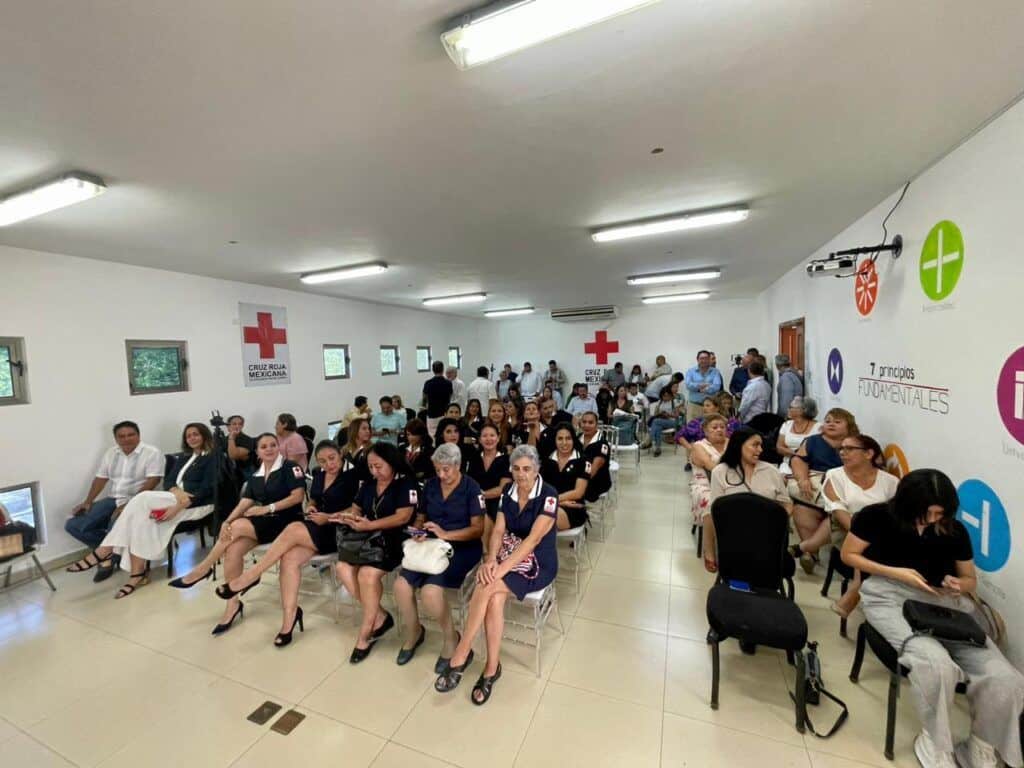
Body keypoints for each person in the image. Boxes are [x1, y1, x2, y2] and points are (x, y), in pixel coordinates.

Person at [842, 470, 1024, 768]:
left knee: (1006, 678)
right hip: (888, 594)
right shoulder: (875, 517)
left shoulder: (954, 530)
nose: (934, 518)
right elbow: (850, 555)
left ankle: (981, 745)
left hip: (943, 602)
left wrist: (959, 586)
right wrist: (894, 572)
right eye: (928, 512)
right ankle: (936, 741)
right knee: (934, 663)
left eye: (941, 512)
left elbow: (969, 580)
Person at [434, 445, 558, 705]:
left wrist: (498, 570)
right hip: (507, 554)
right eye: (516, 468)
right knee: (494, 598)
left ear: (536, 470)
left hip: (537, 563)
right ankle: (491, 667)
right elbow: (499, 531)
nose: (521, 474)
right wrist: (491, 560)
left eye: (527, 469)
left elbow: (533, 541)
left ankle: (461, 652)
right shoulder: (507, 492)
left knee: (487, 586)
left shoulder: (548, 495)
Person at [211, 440, 358, 646]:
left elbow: (357, 510)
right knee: (289, 558)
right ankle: (290, 617)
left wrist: (330, 516)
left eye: (332, 459)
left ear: (340, 455)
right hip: (317, 526)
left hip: (340, 529)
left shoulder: (353, 475)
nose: (328, 465)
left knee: (294, 528)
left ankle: (249, 577)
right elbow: (314, 499)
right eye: (323, 461)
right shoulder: (319, 474)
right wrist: (313, 507)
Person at [68, 423, 218, 597]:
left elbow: (209, 489)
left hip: (196, 503)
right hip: (174, 496)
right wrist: (176, 491)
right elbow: (169, 481)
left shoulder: (213, 458)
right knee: (139, 520)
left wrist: (178, 506)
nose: (192, 438)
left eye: (196, 434)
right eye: (188, 436)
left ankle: (105, 550)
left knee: (142, 498)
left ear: (205, 436)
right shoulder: (186, 457)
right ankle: (136, 575)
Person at [175, 433, 306, 633]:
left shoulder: (289, 467)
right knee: (233, 548)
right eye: (264, 446)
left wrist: (266, 508)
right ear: (257, 451)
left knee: (237, 526)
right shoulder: (257, 473)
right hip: (265, 523)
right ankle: (232, 604)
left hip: (287, 522)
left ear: (278, 447)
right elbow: (246, 501)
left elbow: (297, 497)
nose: (269, 449)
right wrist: (227, 520)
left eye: (273, 445)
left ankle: (202, 570)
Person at [394, 443, 485, 668]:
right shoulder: (432, 486)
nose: (441, 475)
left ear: (458, 465)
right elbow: (421, 516)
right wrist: (417, 531)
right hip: (431, 546)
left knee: (430, 592)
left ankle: (450, 637)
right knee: (401, 586)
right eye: (437, 470)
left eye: (446, 470)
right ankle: (414, 631)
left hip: (462, 548)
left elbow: (478, 529)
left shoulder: (471, 488)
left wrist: (447, 534)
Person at [332, 443, 418, 663]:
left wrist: (369, 525)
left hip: (393, 541)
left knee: (366, 576)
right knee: (342, 568)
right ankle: (380, 616)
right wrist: (349, 517)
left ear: (392, 463)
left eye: (379, 466)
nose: (374, 471)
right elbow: (356, 508)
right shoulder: (369, 484)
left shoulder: (405, 483)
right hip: (366, 540)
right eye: (371, 466)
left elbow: (403, 517)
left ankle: (365, 631)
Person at [823, 434, 898, 618]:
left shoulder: (890, 482)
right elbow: (838, 510)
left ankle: (858, 591)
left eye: (849, 449)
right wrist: (863, 534)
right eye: (841, 449)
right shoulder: (834, 475)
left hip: (882, 536)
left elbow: (896, 515)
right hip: (847, 531)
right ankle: (857, 590)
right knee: (863, 547)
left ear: (869, 453)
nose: (843, 453)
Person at [65, 421, 163, 556]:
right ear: (116, 439)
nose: (126, 439)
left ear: (138, 435)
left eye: (131, 435)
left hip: (139, 500)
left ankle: (109, 559)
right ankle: (109, 554)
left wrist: (130, 504)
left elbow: (154, 480)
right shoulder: (111, 453)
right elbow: (101, 478)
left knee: (115, 527)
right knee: (73, 525)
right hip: (114, 499)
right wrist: (87, 502)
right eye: (121, 436)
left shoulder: (152, 453)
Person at [705, 427, 791, 573]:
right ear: (739, 445)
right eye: (755, 445)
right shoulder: (721, 471)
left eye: (761, 445)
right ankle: (711, 553)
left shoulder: (771, 471)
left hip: (765, 528)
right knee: (708, 513)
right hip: (734, 529)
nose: (760, 450)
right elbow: (717, 506)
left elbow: (786, 502)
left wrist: (781, 518)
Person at [789, 407, 859, 573]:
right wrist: (803, 479)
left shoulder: (858, 444)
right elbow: (798, 460)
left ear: (849, 425)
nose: (831, 424)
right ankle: (811, 554)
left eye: (837, 421)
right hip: (816, 490)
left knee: (837, 514)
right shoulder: (813, 441)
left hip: (843, 493)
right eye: (827, 421)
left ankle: (806, 547)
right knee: (802, 510)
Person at [469, 423, 511, 551]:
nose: (488, 439)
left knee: (487, 517)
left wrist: (481, 494)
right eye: (485, 436)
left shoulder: (506, 459)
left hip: (498, 501)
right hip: (476, 501)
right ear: (480, 439)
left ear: (498, 438)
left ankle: (489, 555)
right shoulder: (474, 458)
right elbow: (470, 483)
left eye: (492, 435)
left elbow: (503, 488)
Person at [540, 424, 590, 530]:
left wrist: (555, 500)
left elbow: (578, 493)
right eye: (560, 439)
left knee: (547, 516)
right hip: (549, 503)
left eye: (568, 438)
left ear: (573, 439)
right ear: (554, 440)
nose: (564, 443)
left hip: (572, 507)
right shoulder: (547, 460)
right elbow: (540, 488)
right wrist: (559, 502)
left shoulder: (583, 461)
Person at [689, 414, 728, 524]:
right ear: (706, 431)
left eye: (722, 427)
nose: (719, 429)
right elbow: (711, 466)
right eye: (715, 427)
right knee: (712, 502)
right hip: (706, 484)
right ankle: (711, 536)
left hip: (731, 482)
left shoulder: (731, 443)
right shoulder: (699, 446)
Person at [776, 396, 820, 477]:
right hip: (787, 463)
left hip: (810, 464)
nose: (788, 409)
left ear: (802, 410)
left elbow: (817, 450)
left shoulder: (818, 427)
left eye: (790, 407)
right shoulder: (786, 425)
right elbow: (779, 447)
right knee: (782, 478)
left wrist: (801, 458)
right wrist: (797, 454)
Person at [578, 412, 611, 502]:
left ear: (597, 425)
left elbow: (593, 471)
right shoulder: (578, 438)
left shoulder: (602, 444)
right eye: (584, 422)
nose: (586, 425)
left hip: (596, 481)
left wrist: (576, 484)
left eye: (590, 422)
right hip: (580, 476)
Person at [684, 350, 724, 422]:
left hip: (710, 407)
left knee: (709, 429)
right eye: (701, 358)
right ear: (697, 359)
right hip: (694, 405)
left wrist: (703, 389)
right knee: (692, 429)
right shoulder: (690, 371)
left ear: (709, 359)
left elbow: (717, 386)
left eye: (706, 358)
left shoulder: (715, 371)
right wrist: (701, 385)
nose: (704, 360)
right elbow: (688, 385)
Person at [648, 384, 684, 457]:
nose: (665, 397)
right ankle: (658, 448)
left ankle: (650, 439)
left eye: (667, 395)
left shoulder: (675, 402)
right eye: (664, 396)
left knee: (656, 422)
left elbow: (677, 416)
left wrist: (669, 415)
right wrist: (660, 413)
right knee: (657, 426)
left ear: (670, 395)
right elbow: (655, 414)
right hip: (661, 421)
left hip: (672, 422)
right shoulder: (660, 402)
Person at [423, 360, 453, 436]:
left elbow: (424, 399)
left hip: (432, 414)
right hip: (444, 413)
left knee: (432, 436)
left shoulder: (428, 383)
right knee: (445, 435)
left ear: (433, 370)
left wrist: (425, 405)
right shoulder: (448, 383)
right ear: (443, 370)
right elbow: (450, 397)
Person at [737, 358, 772, 423]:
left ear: (749, 371)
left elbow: (745, 405)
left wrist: (739, 417)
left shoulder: (752, 387)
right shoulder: (766, 385)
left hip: (751, 419)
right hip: (763, 417)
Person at [225, 415, 255, 479]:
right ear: (228, 426)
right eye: (234, 424)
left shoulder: (248, 440)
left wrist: (231, 438)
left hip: (244, 472)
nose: (237, 426)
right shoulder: (223, 439)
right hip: (227, 472)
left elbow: (233, 455)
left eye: (240, 424)